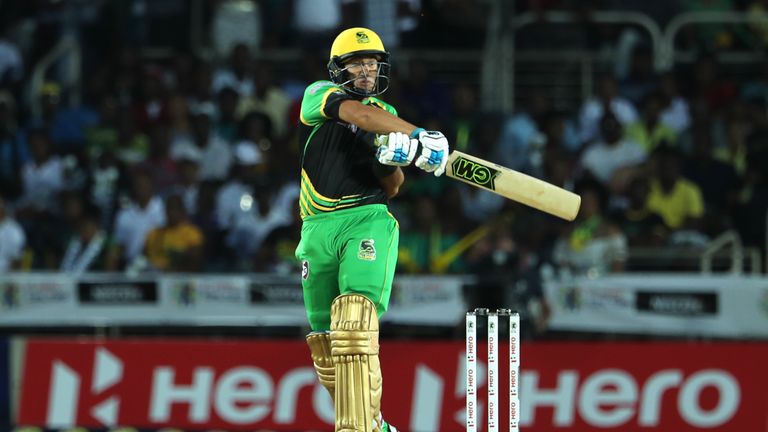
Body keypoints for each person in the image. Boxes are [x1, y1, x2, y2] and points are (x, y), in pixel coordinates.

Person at [295, 27, 449, 432]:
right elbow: (359, 115)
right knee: (325, 343)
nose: (366, 70)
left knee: (355, 318)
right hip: (316, 228)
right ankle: (375, 426)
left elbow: (394, 186)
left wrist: (390, 159)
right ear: (337, 69)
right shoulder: (318, 95)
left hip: (366, 219)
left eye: (372, 63)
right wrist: (415, 135)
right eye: (357, 63)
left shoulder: (387, 115)